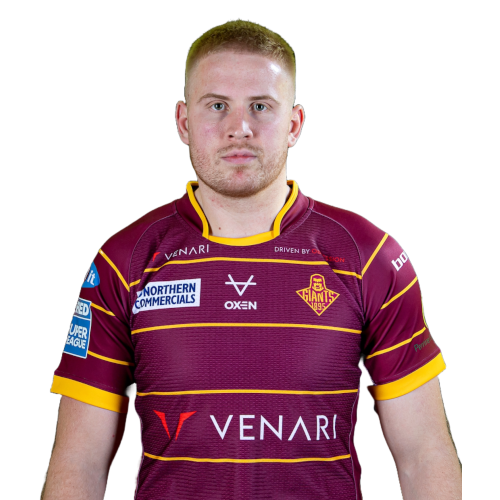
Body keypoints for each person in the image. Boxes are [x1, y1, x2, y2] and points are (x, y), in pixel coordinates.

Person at [42, 19, 461, 500]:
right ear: (183, 122)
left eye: (260, 106)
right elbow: (79, 462)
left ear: (294, 125)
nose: (238, 128)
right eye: (217, 105)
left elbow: (424, 454)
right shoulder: (122, 261)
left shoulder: (370, 257)